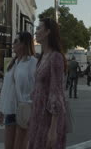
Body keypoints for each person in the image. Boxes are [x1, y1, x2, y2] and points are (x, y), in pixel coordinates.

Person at [28, 18, 67, 149]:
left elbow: (56, 92)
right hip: (37, 115)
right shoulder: (41, 57)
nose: (36, 32)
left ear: (48, 32)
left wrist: (53, 128)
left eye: (39, 28)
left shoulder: (56, 57)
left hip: (48, 118)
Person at [0, 32, 37, 149]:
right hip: (10, 110)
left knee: (19, 146)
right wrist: (1, 110)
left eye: (16, 41)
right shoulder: (13, 63)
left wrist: (31, 105)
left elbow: (35, 87)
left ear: (24, 44)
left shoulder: (32, 62)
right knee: (8, 146)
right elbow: (6, 88)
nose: (13, 44)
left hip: (24, 110)